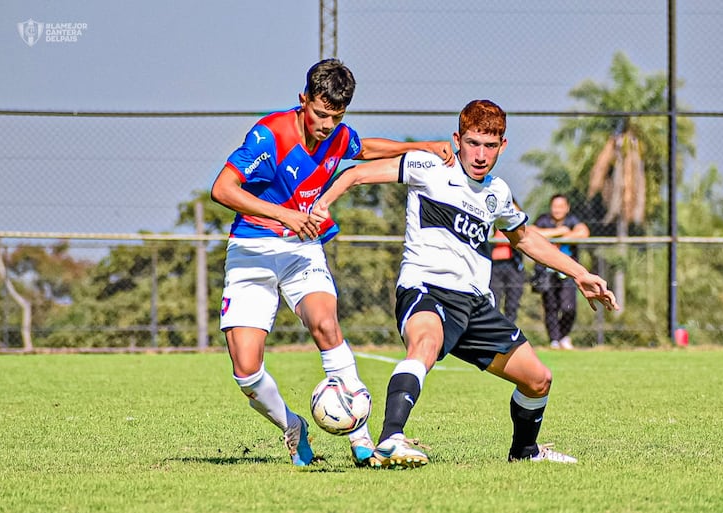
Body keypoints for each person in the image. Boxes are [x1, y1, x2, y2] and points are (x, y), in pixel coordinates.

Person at [311, 99, 619, 468]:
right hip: (426, 290)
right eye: (473, 143)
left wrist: (580, 273)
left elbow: (525, 238)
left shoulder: (497, 193)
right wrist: (322, 203)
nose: (480, 154)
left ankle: (525, 452)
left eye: (490, 145)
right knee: (424, 344)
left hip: (474, 306)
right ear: (457, 139)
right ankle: (391, 438)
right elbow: (355, 174)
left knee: (538, 379)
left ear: (502, 146)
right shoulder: (428, 167)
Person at [210, 58, 455, 467]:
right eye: (320, 114)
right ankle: (293, 427)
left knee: (325, 323)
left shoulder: (336, 135)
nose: (325, 124)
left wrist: (423, 146)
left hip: (301, 249)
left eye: (335, 116)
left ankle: (360, 437)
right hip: (252, 250)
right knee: (246, 371)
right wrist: (285, 214)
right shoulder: (268, 135)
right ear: (303, 100)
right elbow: (222, 188)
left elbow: (364, 148)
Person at [531, 194, 590, 350]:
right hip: (546, 272)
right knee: (550, 306)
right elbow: (531, 233)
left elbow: (583, 232)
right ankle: (554, 340)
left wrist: (563, 235)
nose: (557, 209)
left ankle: (564, 336)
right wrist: (558, 232)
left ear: (567, 207)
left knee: (568, 307)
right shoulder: (543, 220)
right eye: (555, 206)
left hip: (567, 272)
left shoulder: (572, 220)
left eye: (561, 206)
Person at [490, 225, 526, 324]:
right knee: (493, 302)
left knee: (512, 304)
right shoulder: (490, 223)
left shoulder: (515, 223)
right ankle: (492, 330)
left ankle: (509, 330)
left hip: (514, 265)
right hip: (494, 266)